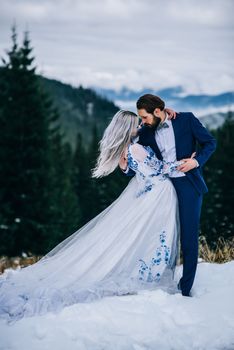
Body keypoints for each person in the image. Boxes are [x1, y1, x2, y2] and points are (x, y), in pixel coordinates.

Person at [0, 109, 189, 324]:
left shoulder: (124, 152)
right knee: (158, 237)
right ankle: (151, 276)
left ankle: (149, 273)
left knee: (149, 238)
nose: (140, 127)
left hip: (147, 195)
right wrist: (186, 161)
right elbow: (160, 169)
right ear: (128, 128)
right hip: (158, 195)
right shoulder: (136, 148)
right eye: (136, 124)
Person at [120, 94, 217, 297]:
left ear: (157, 112)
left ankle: (185, 289)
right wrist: (124, 167)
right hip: (161, 189)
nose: (142, 122)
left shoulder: (186, 119)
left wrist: (196, 161)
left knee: (188, 236)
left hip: (188, 185)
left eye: (145, 117)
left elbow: (210, 143)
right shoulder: (146, 131)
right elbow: (137, 161)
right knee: (162, 236)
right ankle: (162, 282)